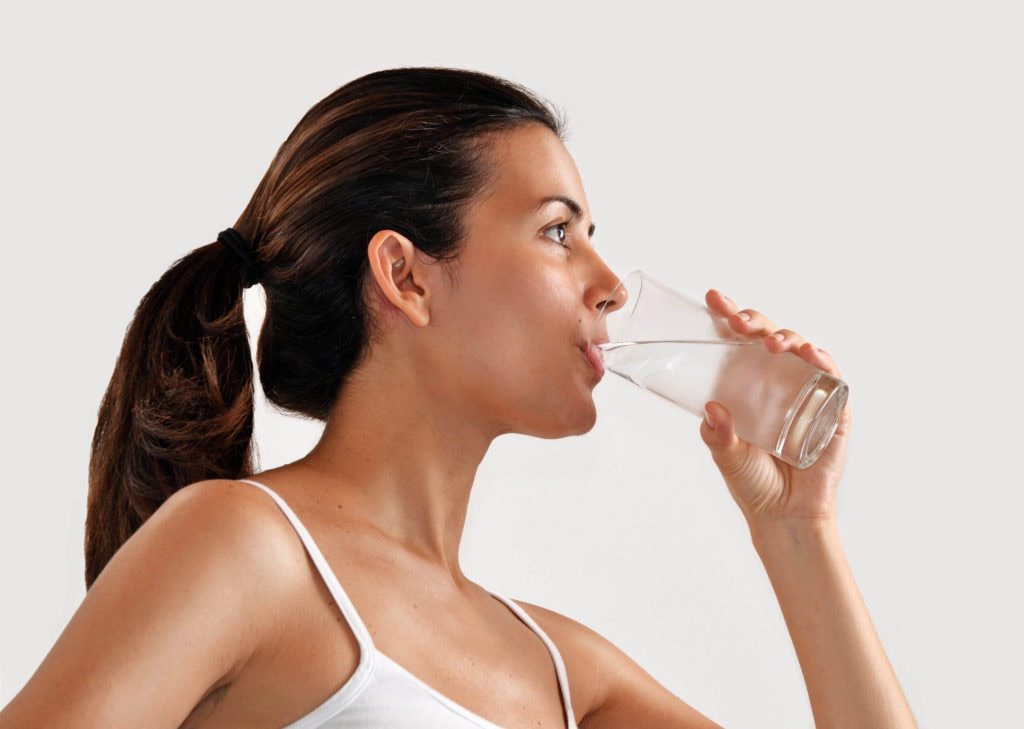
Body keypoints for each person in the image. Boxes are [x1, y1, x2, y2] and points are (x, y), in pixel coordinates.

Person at [0, 67, 916, 728]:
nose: (608, 283)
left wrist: (801, 534)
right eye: (559, 231)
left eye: (595, 234)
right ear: (405, 276)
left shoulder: (564, 672)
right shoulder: (242, 548)